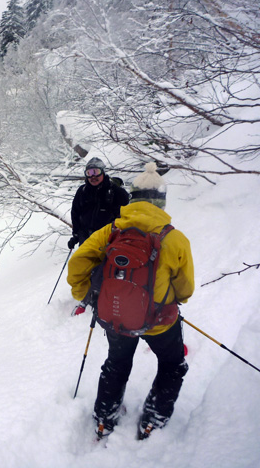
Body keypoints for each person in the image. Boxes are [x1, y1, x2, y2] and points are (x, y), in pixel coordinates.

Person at [66, 162, 195, 440]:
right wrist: (174, 298)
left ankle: (104, 419)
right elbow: (185, 289)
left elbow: (78, 262)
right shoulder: (174, 239)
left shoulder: (111, 230)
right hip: (160, 321)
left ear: (132, 199)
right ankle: (153, 419)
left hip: (116, 316)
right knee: (172, 364)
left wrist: (87, 295)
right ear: (161, 201)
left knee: (117, 362)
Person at [68, 157, 130, 250]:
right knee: (85, 259)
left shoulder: (113, 190)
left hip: (107, 238)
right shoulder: (82, 191)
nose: (93, 177)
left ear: (103, 172)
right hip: (86, 237)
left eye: (96, 172)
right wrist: (76, 235)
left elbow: (126, 209)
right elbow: (75, 213)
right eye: (89, 173)